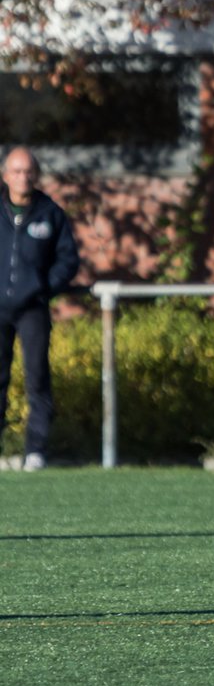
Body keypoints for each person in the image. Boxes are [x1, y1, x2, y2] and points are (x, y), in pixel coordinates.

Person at [0, 147, 80, 472]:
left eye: (29, 171)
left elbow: (68, 259)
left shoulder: (50, 213)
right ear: (6, 176)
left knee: (38, 379)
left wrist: (44, 287)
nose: (23, 177)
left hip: (32, 309)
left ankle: (35, 451)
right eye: (17, 171)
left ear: (36, 175)